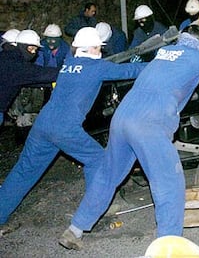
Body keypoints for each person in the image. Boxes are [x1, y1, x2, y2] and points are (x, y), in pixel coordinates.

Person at [59, 25, 199, 250]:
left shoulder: (163, 53)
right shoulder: (197, 57)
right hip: (149, 124)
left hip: (122, 118)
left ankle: (75, 229)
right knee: (169, 183)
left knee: (107, 175)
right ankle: (168, 247)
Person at [0, 27, 147, 235]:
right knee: (98, 160)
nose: (101, 51)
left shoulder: (68, 64)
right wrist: (162, 64)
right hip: (65, 129)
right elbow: (131, 71)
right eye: (98, 48)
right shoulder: (98, 68)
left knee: (24, 171)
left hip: (42, 125)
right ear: (90, 48)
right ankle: (95, 210)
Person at [0, 30, 59, 127]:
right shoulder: (15, 64)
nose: (34, 53)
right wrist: (68, 70)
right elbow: (40, 74)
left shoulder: (5, 57)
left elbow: (28, 79)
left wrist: (49, 84)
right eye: (31, 49)